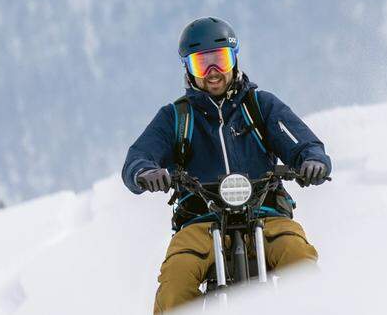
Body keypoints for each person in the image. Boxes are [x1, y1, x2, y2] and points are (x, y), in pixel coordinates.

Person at [122, 16, 331, 313]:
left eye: (220, 60)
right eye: (201, 64)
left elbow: (304, 143)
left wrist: (313, 162)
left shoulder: (260, 106)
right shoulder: (176, 118)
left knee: (299, 260)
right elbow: (137, 158)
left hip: (266, 214)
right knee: (175, 283)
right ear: (188, 69)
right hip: (200, 223)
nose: (213, 72)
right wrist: (145, 172)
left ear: (234, 59)